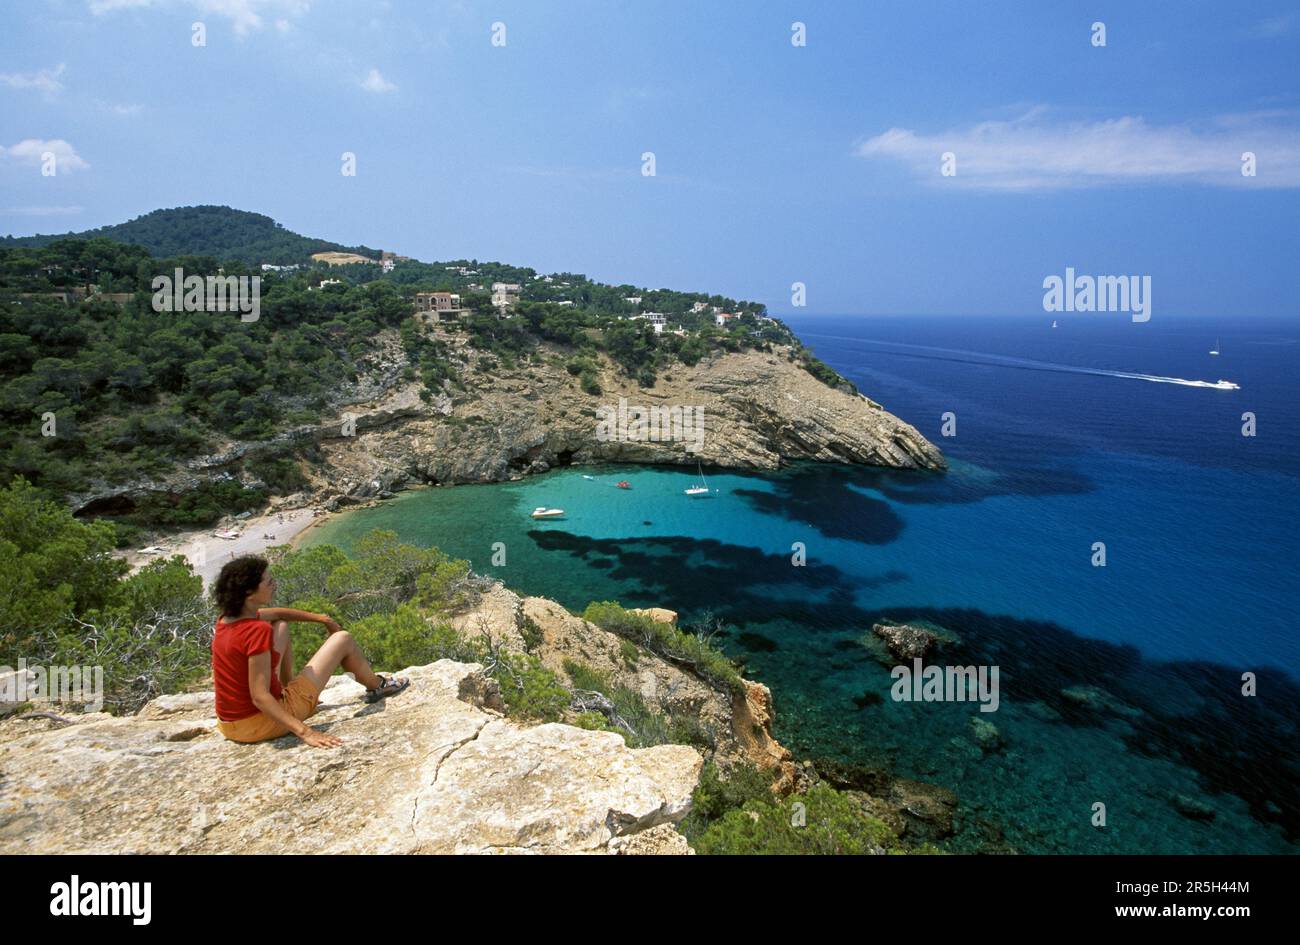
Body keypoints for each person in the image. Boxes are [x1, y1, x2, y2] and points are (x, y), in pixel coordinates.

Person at [210, 555, 409, 748]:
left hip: (231, 726)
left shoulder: (227, 619)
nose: (274, 584)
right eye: (268, 582)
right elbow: (259, 696)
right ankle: (378, 685)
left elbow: (279, 614)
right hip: (261, 724)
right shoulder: (256, 630)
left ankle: (290, 690)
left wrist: (322, 619)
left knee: (280, 626)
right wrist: (306, 732)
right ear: (249, 593)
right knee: (343, 639)